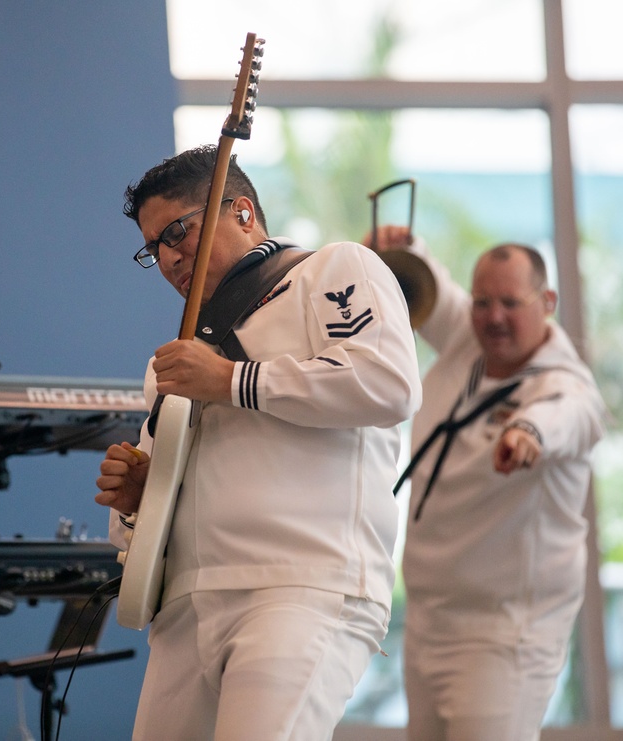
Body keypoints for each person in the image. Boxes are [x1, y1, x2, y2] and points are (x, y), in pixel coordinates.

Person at [94, 145, 422, 740]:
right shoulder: (174, 359)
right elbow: (138, 533)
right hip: (185, 606)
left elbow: (388, 383)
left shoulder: (332, 269)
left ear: (242, 211)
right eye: (154, 248)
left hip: (303, 586)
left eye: (178, 232)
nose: (168, 258)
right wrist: (139, 496)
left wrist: (230, 381)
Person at [368, 225, 606, 741]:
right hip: (429, 622)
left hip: (506, 637)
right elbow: (438, 289)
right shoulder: (468, 341)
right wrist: (405, 247)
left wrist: (527, 431)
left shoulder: (566, 385)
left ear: (547, 302)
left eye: (509, 303)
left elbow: (570, 416)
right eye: (482, 302)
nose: (493, 317)